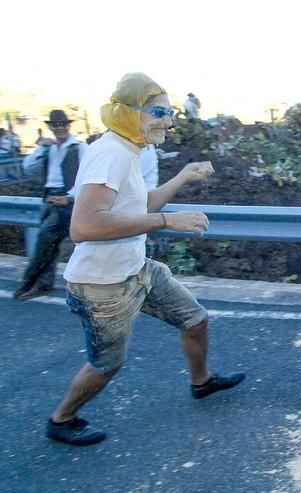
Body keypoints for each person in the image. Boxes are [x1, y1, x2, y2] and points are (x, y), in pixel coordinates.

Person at [45, 72, 245, 446]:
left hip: (137, 269)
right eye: (158, 111)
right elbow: (85, 226)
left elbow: (139, 205)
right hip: (102, 286)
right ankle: (62, 418)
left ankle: (201, 382)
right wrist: (168, 221)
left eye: (170, 112)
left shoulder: (128, 149)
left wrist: (183, 177)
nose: (168, 120)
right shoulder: (110, 155)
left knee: (195, 319)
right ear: (127, 111)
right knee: (107, 364)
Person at [13, 110, 87, 301]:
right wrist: (40, 149)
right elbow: (28, 168)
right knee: (50, 246)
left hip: (66, 202)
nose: (59, 128)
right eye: (55, 125)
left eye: (63, 124)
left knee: (44, 242)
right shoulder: (48, 149)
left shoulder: (79, 148)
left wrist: (69, 198)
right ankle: (44, 284)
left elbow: (86, 178)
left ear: (68, 126)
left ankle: (27, 285)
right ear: (50, 127)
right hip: (48, 200)